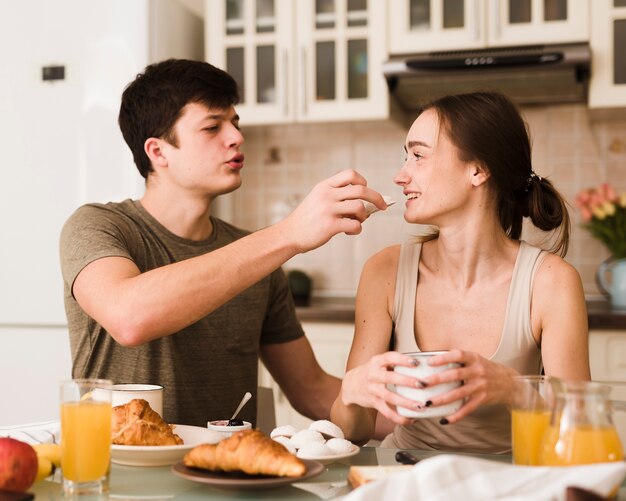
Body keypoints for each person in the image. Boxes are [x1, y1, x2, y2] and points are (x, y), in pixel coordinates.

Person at [59, 58, 389, 427]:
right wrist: (290, 233)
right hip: (116, 475)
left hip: (226, 477)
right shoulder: (97, 226)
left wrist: (437, 425)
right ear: (158, 152)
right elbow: (129, 318)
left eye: (234, 122)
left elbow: (312, 391)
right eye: (212, 126)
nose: (236, 136)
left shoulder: (259, 259)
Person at [330, 91, 591, 453]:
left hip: (510, 481)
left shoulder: (552, 282)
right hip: (406, 477)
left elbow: (579, 423)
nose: (400, 176)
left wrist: (516, 389)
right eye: (405, 157)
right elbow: (353, 431)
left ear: (478, 170)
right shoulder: (383, 271)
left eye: (418, 156)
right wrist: (352, 392)